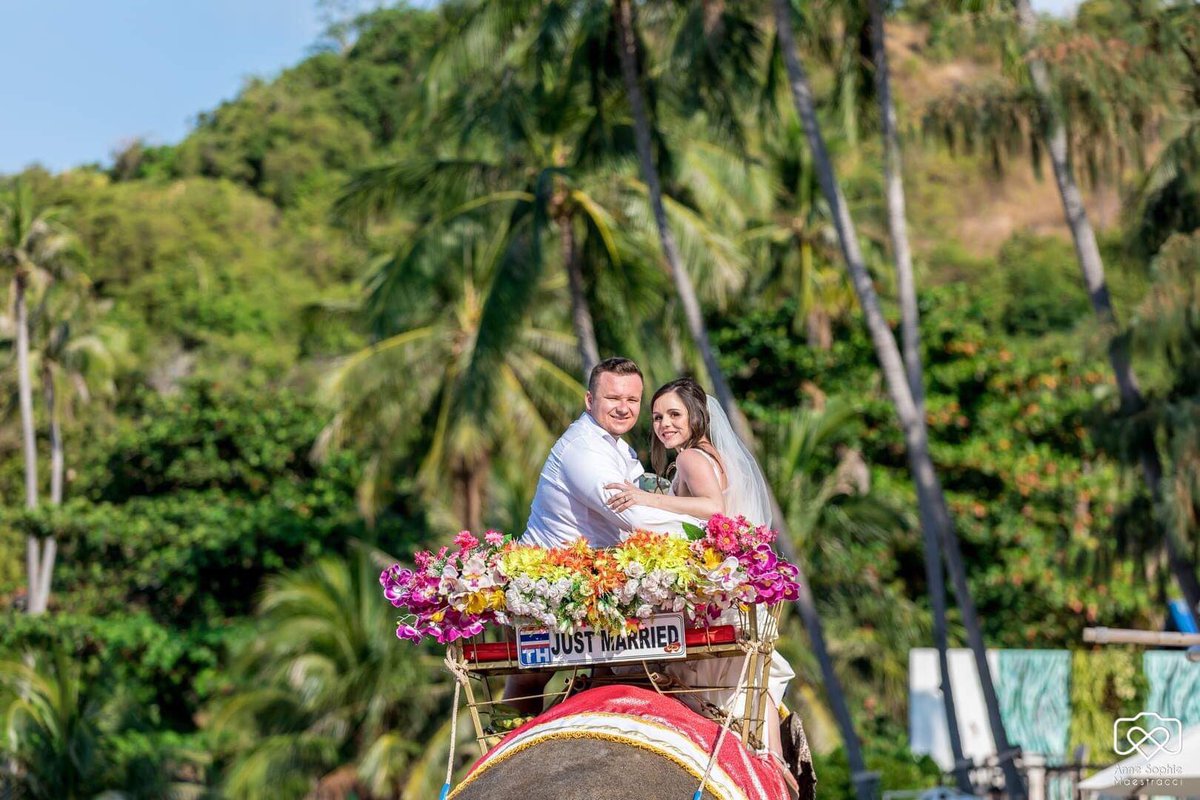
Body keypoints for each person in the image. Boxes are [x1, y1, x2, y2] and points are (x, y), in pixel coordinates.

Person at [603, 377, 795, 762]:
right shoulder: (709, 455)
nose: (664, 424)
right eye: (657, 417)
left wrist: (644, 499)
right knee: (748, 688)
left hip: (711, 597)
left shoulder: (691, 457)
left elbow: (713, 508)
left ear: (696, 416)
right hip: (726, 591)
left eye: (674, 414)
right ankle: (773, 766)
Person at [506, 357, 695, 712]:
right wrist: (703, 535)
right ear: (590, 401)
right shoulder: (584, 450)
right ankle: (503, 743)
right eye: (613, 399)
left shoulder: (618, 448)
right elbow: (636, 515)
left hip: (596, 585)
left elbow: (650, 503)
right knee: (528, 680)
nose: (624, 409)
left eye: (633, 401)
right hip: (549, 586)